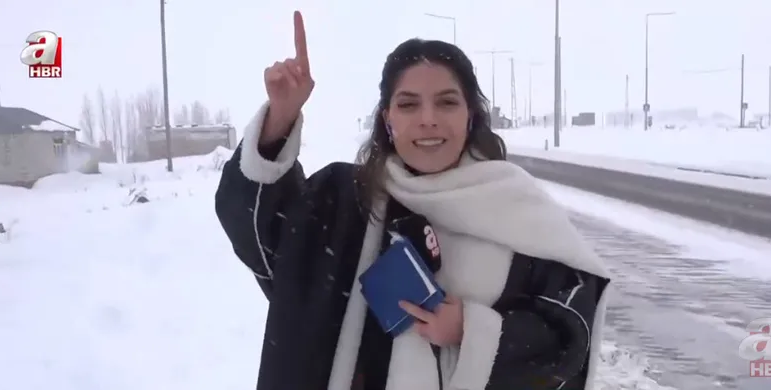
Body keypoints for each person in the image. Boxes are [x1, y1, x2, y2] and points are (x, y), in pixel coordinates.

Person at [215, 10, 611, 390]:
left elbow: (569, 333)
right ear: (388, 119)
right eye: (408, 104)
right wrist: (280, 119)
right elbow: (256, 228)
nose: (428, 118)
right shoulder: (343, 200)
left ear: (470, 116)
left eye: (447, 102)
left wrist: (471, 332)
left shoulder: (514, 207)